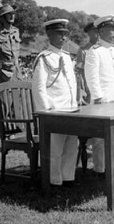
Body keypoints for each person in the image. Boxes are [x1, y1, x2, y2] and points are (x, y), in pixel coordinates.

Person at [32, 19, 79, 186]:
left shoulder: (66, 57)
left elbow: (71, 84)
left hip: (71, 109)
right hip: (55, 111)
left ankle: (68, 178)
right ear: (49, 35)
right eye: (59, 34)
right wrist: (46, 112)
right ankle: (53, 181)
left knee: (71, 145)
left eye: (65, 34)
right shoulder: (44, 58)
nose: (63, 37)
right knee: (55, 149)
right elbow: (39, 88)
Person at [85, 15, 114, 177]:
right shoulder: (94, 52)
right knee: (101, 139)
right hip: (104, 101)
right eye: (111, 29)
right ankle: (100, 169)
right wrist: (98, 98)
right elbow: (91, 78)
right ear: (101, 31)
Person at [0, 3, 23, 136]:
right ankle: (3, 134)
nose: (12, 16)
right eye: (9, 14)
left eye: (13, 13)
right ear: (2, 17)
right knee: (3, 105)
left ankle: (15, 132)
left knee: (17, 105)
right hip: (3, 73)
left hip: (17, 72)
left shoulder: (16, 31)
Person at [75, 19, 99, 104]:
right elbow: (80, 73)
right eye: (95, 31)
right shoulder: (83, 50)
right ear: (89, 33)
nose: (98, 33)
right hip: (90, 88)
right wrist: (81, 90)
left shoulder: (106, 49)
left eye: (98, 31)